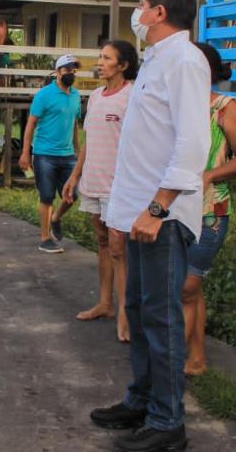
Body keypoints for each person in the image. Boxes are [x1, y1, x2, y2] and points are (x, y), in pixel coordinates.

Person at [90, 0, 209, 452]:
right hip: (139, 213)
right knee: (138, 311)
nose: (136, 14)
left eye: (141, 5)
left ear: (159, 12)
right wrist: (124, 215)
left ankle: (168, 423)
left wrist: (157, 209)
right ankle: (141, 401)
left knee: (161, 319)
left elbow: (192, 144)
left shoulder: (185, 60)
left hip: (164, 217)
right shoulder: (157, 61)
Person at [182, 42, 236, 376]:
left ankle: (167, 366)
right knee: (190, 290)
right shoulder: (177, 106)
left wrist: (210, 174)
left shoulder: (225, 107)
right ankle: (196, 359)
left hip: (209, 211)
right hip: (175, 209)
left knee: (186, 287)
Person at [62, 40, 138, 342]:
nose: (100, 62)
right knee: (103, 242)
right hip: (93, 180)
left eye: (107, 58)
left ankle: (125, 313)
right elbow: (89, 141)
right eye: (100, 57)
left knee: (120, 249)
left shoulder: (133, 96)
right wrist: (75, 175)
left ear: (123, 65)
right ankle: (105, 303)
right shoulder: (95, 96)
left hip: (119, 184)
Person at [19, 54, 82, 254]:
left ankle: (56, 218)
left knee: (72, 194)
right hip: (44, 153)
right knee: (47, 196)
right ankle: (45, 238)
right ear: (57, 72)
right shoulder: (44, 95)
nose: (71, 73)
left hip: (67, 154)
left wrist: (78, 150)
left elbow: (74, 124)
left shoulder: (76, 95)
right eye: (67, 69)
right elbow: (31, 124)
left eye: (74, 70)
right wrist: (25, 153)